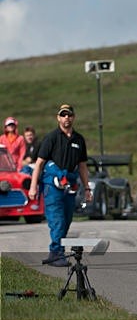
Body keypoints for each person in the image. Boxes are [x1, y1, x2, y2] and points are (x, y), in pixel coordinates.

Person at [27, 104, 92, 266]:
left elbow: (82, 166)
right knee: (58, 221)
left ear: (73, 117)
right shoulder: (51, 138)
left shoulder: (79, 140)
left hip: (69, 185)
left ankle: (54, 253)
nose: (66, 118)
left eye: (69, 115)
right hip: (52, 186)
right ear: (58, 118)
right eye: (63, 115)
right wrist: (33, 186)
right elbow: (39, 164)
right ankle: (57, 254)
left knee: (67, 220)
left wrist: (87, 188)